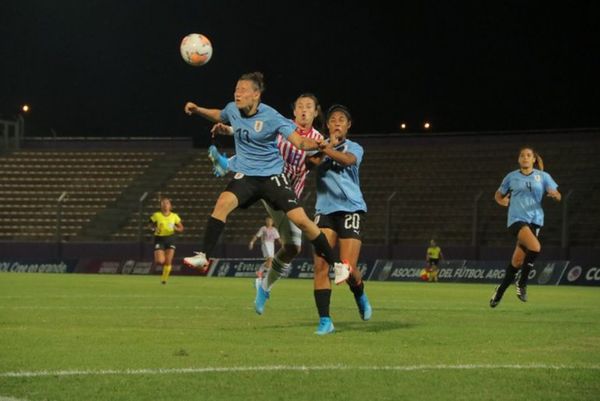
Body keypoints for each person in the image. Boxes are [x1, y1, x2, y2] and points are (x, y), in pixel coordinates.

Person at [181, 72, 351, 313]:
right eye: (236, 89)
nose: (237, 93)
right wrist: (199, 110)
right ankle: (204, 255)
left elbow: (302, 145)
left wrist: (324, 145)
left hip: (275, 180)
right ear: (294, 111)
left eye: (242, 89)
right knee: (222, 202)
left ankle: (335, 265)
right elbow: (225, 116)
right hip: (249, 176)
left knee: (297, 234)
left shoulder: (277, 119)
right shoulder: (237, 110)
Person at [207, 93, 325, 313]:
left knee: (292, 248)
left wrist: (327, 148)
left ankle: (264, 287)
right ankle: (227, 163)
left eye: (309, 106)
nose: (304, 110)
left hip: (289, 195)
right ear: (294, 111)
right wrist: (230, 129)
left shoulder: (317, 140)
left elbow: (310, 164)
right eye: (300, 106)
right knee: (254, 166)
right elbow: (255, 129)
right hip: (270, 185)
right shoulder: (282, 125)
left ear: (316, 112)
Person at [310, 104, 372, 335]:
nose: (337, 122)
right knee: (320, 265)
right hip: (324, 211)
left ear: (348, 126)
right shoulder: (320, 146)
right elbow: (309, 164)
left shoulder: (354, 147)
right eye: (333, 119)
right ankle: (325, 320)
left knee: (347, 269)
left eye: (341, 120)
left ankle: (360, 293)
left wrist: (327, 149)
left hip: (350, 209)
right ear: (327, 125)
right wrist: (322, 148)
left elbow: (347, 160)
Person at [490, 146, 561, 307]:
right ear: (518, 159)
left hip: (535, 220)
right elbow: (498, 195)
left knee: (516, 262)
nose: (525, 158)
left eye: (528, 155)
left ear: (534, 159)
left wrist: (555, 195)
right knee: (535, 247)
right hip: (516, 219)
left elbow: (557, 194)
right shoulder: (511, 177)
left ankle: (499, 292)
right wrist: (502, 201)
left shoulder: (543, 176)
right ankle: (522, 283)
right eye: (522, 155)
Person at [149, 197, 184, 284]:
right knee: (160, 261)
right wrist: (154, 229)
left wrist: (175, 228)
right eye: (163, 203)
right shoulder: (156, 215)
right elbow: (150, 225)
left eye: (167, 203)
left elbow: (181, 228)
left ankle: (164, 280)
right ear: (161, 206)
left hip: (170, 239)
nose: (165, 205)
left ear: (170, 206)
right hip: (159, 239)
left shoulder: (174, 216)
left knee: (168, 261)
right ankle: (161, 256)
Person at [249, 216, 282, 282]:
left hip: (272, 245)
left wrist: (284, 246)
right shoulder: (263, 228)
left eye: (270, 221)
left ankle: (260, 272)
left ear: (272, 222)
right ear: (266, 221)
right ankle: (267, 276)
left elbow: (278, 239)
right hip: (265, 244)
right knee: (269, 259)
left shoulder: (274, 230)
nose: (269, 222)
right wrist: (251, 242)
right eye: (267, 220)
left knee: (270, 261)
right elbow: (256, 236)